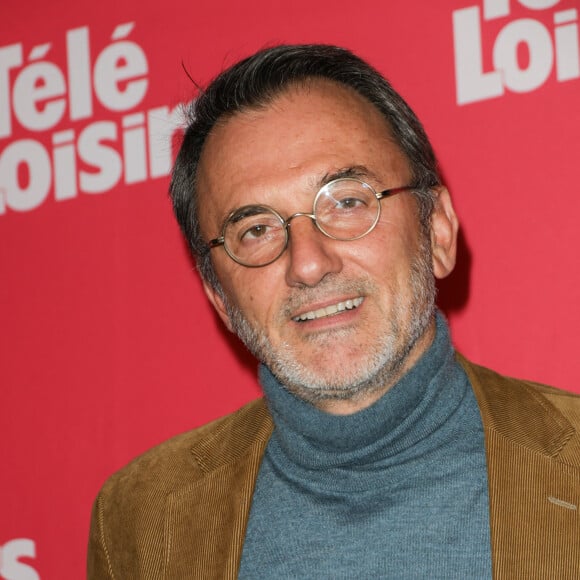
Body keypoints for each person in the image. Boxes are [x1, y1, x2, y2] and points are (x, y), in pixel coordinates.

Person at [87, 45, 580, 579]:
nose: (308, 263)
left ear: (437, 230)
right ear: (220, 298)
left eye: (346, 202)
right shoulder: (141, 519)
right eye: (255, 230)